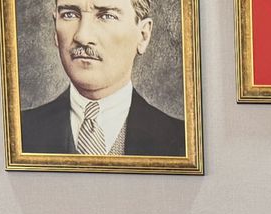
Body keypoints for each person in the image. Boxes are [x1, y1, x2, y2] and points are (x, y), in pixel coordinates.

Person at [21, 0, 185, 157]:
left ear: (143, 36)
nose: (82, 36)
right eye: (70, 14)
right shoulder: (20, 132)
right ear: (55, 29)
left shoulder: (182, 142)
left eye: (107, 16)